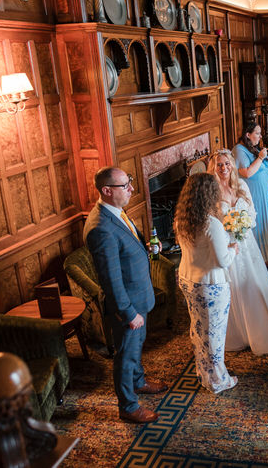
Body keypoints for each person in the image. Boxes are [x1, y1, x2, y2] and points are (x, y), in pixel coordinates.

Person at [84, 167, 167, 423]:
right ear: (107, 191)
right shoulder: (100, 228)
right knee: (125, 355)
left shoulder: (116, 211)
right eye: (125, 185)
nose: (131, 188)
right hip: (127, 305)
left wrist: (146, 248)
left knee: (136, 347)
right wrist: (129, 313)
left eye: (129, 182)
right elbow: (110, 279)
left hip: (138, 297)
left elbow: (124, 251)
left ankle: (138, 382)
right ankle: (128, 406)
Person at [208, 150, 268, 356]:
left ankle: (261, 331)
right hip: (226, 245)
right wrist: (228, 229)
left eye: (226, 163)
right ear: (213, 168)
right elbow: (211, 221)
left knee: (253, 283)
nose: (224, 168)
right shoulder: (211, 191)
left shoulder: (241, 185)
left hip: (246, 242)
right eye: (219, 165)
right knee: (233, 287)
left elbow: (252, 213)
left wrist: (243, 224)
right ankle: (239, 334)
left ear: (232, 165)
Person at [175, 173, 239, 394]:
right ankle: (218, 380)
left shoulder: (182, 219)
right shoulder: (211, 224)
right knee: (214, 333)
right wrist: (233, 249)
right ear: (210, 195)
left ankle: (204, 372)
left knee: (198, 329)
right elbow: (223, 261)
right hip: (209, 285)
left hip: (188, 280)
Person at [234, 122, 268, 263]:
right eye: (257, 133)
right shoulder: (239, 150)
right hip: (255, 193)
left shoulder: (251, 148)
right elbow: (246, 173)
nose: (260, 136)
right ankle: (263, 259)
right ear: (248, 135)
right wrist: (261, 158)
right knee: (261, 223)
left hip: (265, 192)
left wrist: (266, 162)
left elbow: (256, 168)